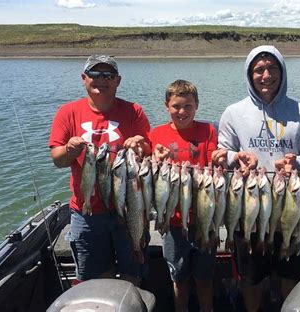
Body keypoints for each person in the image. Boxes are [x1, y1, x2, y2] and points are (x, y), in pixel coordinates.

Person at [212, 45, 300, 311]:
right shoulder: (233, 112)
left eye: (272, 68)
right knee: (252, 277)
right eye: (258, 69)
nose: (266, 75)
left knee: (290, 274)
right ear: (249, 75)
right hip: (248, 204)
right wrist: (237, 158)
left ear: (282, 72)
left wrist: (297, 162)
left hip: (293, 203)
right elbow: (221, 152)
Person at [48, 55, 152, 286]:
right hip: (87, 214)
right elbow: (58, 160)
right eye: (95, 74)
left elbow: (149, 151)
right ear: (84, 78)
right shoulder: (68, 112)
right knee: (94, 278)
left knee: (132, 273)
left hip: (129, 207)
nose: (101, 80)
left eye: (108, 75)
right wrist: (69, 149)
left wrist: (140, 144)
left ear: (118, 80)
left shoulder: (134, 111)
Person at [149, 79, 218, 312]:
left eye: (188, 106)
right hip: (173, 222)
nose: (182, 112)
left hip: (204, 219)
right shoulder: (155, 134)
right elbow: (148, 175)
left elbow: (212, 162)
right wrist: (155, 160)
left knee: (204, 277)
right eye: (176, 106)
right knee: (179, 278)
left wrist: (220, 159)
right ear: (166, 106)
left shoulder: (208, 131)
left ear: (197, 106)